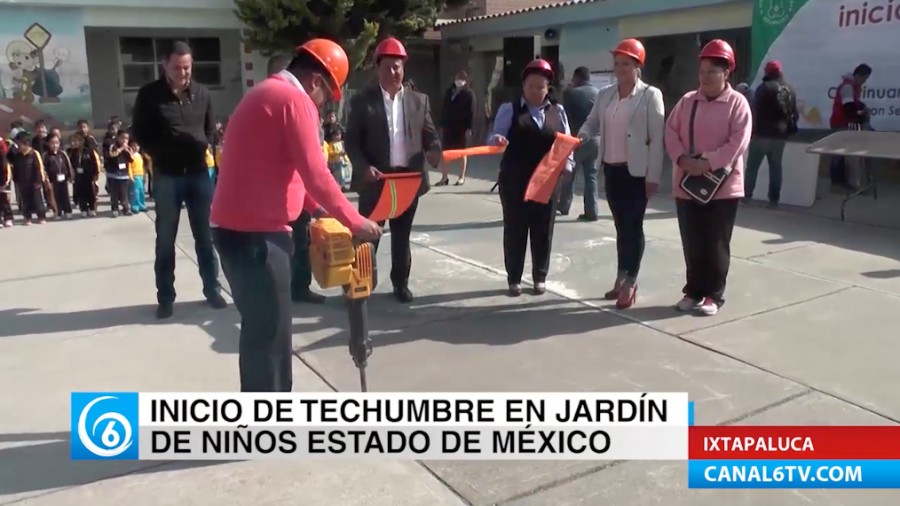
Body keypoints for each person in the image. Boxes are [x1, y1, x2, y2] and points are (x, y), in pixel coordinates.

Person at [210, 39, 382, 392]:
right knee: (272, 345)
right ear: (316, 81)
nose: (323, 105)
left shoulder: (266, 95)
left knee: (261, 336)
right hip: (258, 239)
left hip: (235, 234)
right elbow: (317, 174)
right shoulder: (294, 101)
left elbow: (284, 171)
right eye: (327, 96)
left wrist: (316, 210)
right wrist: (356, 221)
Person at [132, 40, 226, 319]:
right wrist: (162, 151)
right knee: (165, 239)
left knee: (205, 236)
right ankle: (165, 297)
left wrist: (200, 145)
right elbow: (140, 132)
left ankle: (212, 289)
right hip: (167, 176)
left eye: (187, 67)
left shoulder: (202, 93)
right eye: (177, 67)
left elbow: (210, 130)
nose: (183, 73)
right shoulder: (149, 95)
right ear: (164, 65)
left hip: (198, 174)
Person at [345, 37, 441, 303]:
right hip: (375, 181)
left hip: (407, 182)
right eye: (388, 66)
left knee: (401, 236)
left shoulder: (419, 101)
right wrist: (363, 168)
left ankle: (401, 284)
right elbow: (351, 142)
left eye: (397, 66)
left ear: (404, 68)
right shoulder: (363, 101)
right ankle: (359, 283)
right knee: (367, 237)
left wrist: (434, 150)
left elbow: (431, 136)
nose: (393, 72)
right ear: (378, 68)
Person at [664, 39, 751, 316]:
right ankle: (693, 291)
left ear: (727, 73)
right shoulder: (687, 101)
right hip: (687, 184)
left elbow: (738, 141)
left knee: (716, 243)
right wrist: (682, 160)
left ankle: (713, 295)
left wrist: (708, 163)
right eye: (702, 71)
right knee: (692, 241)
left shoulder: (737, 103)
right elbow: (670, 131)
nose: (705, 77)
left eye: (712, 71)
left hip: (723, 187)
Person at [577, 39, 665, 309]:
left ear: (638, 66)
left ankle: (631, 282)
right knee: (620, 226)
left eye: (626, 63)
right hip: (612, 169)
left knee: (633, 226)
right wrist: (582, 135)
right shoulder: (605, 94)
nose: (620, 68)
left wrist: (653, 176)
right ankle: (620, 276)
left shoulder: (650, 95)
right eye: (617, 63)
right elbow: (592, 122)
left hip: (637, 173)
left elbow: (657, 139)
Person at [487, 59, 574, 297]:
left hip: (547, 182)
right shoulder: (510, 109)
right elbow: (495, 135)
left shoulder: (558, 111)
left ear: (548, 88)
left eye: (540, 87)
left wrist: (568, 164)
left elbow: (566, 142)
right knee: (515, 229)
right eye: (531, 86)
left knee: (543, 229)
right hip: (515, 181)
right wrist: (498, 141)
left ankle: (540, 277)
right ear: (523, 86)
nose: (535, 91)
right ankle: (514, 278)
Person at [744, 60, 798, 208]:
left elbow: (754, 112)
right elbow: (795, 114)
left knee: (752, 168)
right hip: (780, 136)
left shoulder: (764, 88)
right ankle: (774, 200)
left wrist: (751, 131)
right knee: (776, 168)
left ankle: (746, 197)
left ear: (767, 72)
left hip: (761, 135)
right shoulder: (790, 89)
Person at [559, 66, 600, 220]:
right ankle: (592, 211)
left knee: (569, 173)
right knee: (591, 176)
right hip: (596, 139)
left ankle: (564, 205)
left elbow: (565, 117)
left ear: (577, 78)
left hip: (576, 139)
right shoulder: (598, 93)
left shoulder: (572, 93)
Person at [828, 63, 872, 192]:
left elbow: (854, 103)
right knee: (838, 154)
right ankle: (836, 183)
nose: (865, 81)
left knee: (842, 153)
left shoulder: (854, 86)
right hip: (840, 123)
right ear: (858, 75)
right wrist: (861, 116)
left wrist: (863, 107)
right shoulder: (848, 87)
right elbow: (848, 109)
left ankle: (842, 181)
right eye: (864, 78)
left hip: (845, 123)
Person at [436, 69, 476, 186]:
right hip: (449, 126)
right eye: (458, 78)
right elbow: (444, 108)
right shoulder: (450, 92)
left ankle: (461, 177)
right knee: (446, 153)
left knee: (462, 152)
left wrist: (469, 128)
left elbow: (472, 112)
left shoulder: (469, 94)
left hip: (461, 127)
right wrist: (441, 124)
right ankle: (444, 177)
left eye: (462, 79)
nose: (459, 81)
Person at [7, 129, 47, 225]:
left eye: (19, 144)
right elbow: (13, 166)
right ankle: (27, 217)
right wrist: (16, 179)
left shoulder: (34, 154)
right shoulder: (17, 155)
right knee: (25, 201)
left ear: (26, 143)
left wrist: (39, 181)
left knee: (38, 200)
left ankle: (41, 216)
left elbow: (39, 168)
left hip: (34, 183)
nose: (18, 146)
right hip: (23, 182)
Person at [68, 132, 101, 217]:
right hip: (78, 177)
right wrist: (70, 176)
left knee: (91, 193)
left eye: (75, 141)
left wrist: (96, 174)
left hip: (88, 176)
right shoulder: (72, 152)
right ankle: (83, 208)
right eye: (73, 141)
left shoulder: (89, 151)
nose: (73, 143)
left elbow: (95, 163)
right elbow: (70, 165)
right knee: (80, 193)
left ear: (82, 141)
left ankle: (92, 208)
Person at [43, 133, 74, 219]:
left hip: (64, 178)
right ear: (48, 144)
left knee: (65, 195)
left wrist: (71, 176)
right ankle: (58, 212)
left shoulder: (63, 154)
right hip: (53, 180)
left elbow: (68, 165)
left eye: (57, 143)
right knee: (55, 197)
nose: (55, 145)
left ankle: (67, 211)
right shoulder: (46, 156)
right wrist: (46, 179)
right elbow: (44, 169)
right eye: (52, 143)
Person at [105, 129, 134, 217]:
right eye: (122, 138)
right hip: (113, 174)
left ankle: (126, 208)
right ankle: (115, 209)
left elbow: (132, 159)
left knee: (124, 193)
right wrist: (121, 149)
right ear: (117, 138)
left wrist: (127, 150)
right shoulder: (113, 146)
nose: (124, 140)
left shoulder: (128, 148)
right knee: (114, 194)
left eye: (126, 138)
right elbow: (111, 155)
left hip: (124, 175)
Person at [129, 139, 149, 212]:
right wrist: (131, 176)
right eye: (133, 146)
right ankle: (135, 206)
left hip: (140, 176)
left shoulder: (139, 155)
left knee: (141, 191)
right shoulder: (130, 156)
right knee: (135, 192)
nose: (135, 147)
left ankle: (141, 205)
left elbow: (142, 166)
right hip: (134, 176)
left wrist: (144, 176)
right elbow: (129, 167)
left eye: (137, 146)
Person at [0, 150, 13, 228]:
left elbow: (7, 172)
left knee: (5, 202)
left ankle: (8, 218)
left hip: (3, 183)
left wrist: (4, 184)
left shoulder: (2, 157)